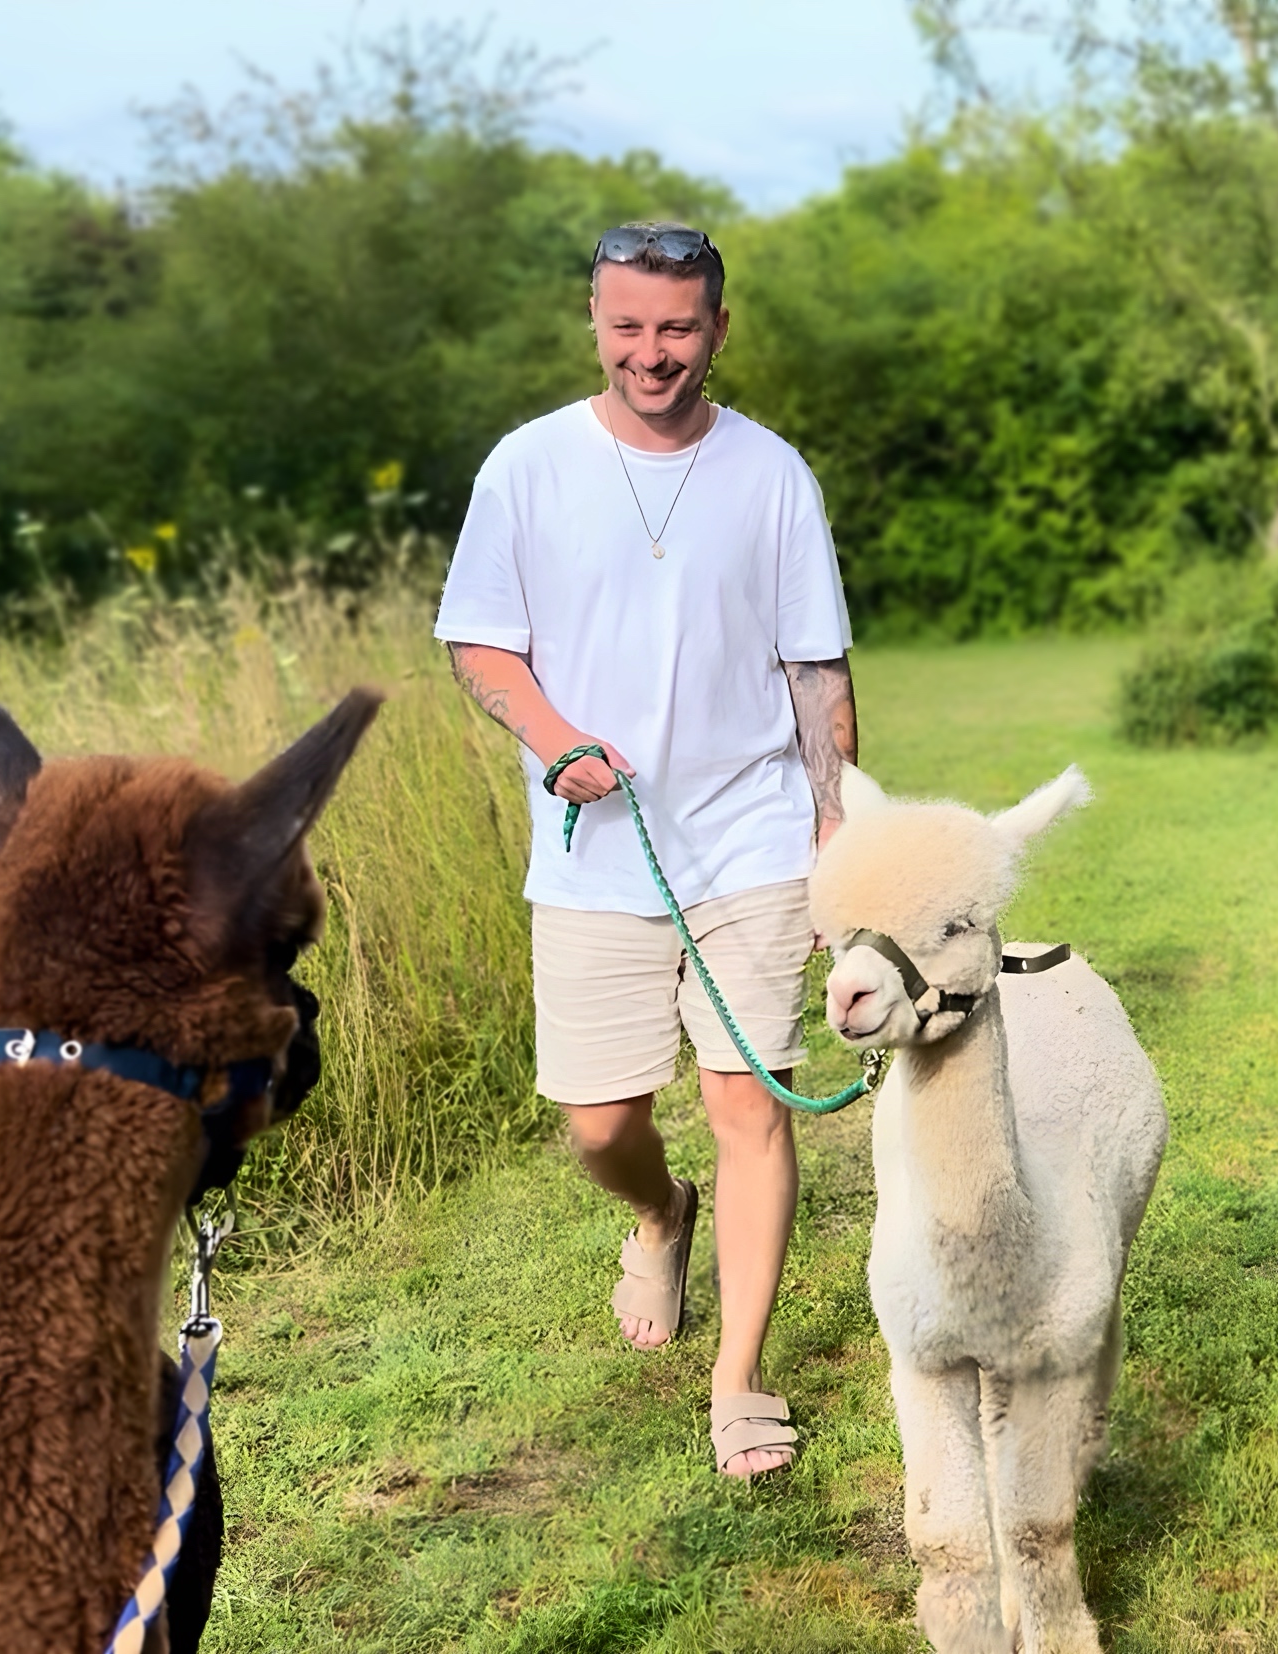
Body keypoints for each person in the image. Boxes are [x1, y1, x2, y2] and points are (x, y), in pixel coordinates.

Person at [435, 222, 857, 1479]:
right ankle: (658, 1212)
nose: (652, 352)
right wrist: (552, 736)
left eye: (677, 327)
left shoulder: (772, 474)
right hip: (593, 853)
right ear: (594, 321)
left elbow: (814, 666)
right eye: (627, 326)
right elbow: (477, 641)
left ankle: (738, 1381)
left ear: (717, 328)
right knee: (597, 1121)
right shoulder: (527, 466)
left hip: (749, 841)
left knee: (747, 1104)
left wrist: (835, 830)